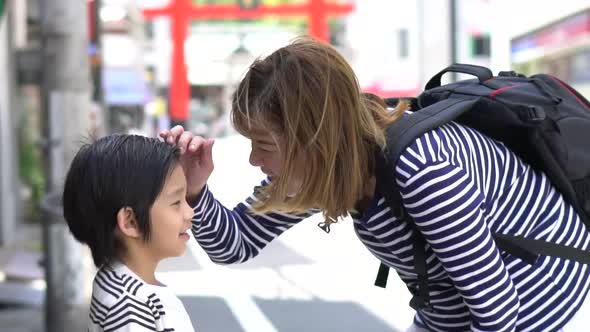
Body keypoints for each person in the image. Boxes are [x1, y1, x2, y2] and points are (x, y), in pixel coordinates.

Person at [162, 36, 590, 331]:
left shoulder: (423, 171)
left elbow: (496, 312)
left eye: (264, 144)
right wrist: (195, 188)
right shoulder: (329, 163)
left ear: (312, 134)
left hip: (546, 306)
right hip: (452, 313)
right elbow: (235, 244)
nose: (254, 159)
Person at [62, 134, 196, 332]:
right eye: (177, 202)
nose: (190, 212)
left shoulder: (115, 281)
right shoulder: (130, 307)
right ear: (130, 221)